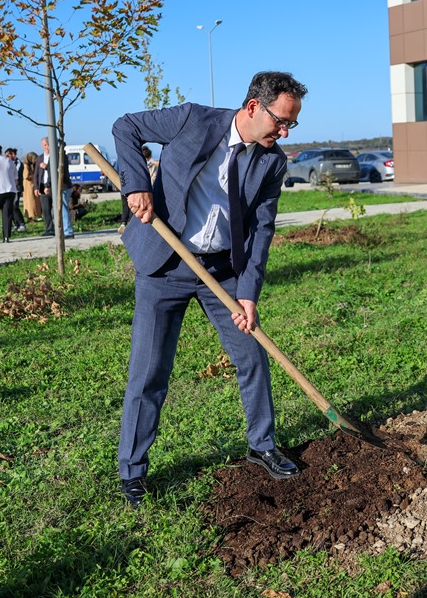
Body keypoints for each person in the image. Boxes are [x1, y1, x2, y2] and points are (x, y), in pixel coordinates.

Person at [114, 71, 308, 506]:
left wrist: (249, 292)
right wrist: (137, 185)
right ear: (254, 107)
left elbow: (262, 229)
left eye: (292, 124)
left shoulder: (272, 161)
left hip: (222, 272)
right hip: (164, 264)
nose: (284, 131)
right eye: (281, 120)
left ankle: (262, 446)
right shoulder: (192, 120)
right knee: (150, 371)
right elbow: (126, 126)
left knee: (251, 355)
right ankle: (132, 472)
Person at [119, 145, 158, 234]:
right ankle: (132, 227)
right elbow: (154, 178)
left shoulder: (131, 164)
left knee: (126, 206)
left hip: (126, 189)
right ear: (150, 156)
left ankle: (123, 223)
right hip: (145, 191)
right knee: (138, 211)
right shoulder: (152, 166)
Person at [34, 137, 54, 235]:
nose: (45, 147)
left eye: (46, 145)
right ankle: (49, 229)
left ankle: (58, 228)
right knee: (45, 210)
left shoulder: (55, 157)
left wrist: (46, 167)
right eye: (43, 145)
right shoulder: (39, 158)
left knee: (55, 209)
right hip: (42, 187)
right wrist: (36, 187)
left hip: (52, 186)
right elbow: (36, 174)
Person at [5, 148, 27, 232]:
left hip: (16, 188)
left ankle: (21, 223)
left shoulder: (18, 163)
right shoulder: (8, 163)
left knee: (14, 206)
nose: (6, 157)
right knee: (10, 207)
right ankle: (15, 223)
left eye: (8, 155)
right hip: (9, 187)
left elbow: (15, 173)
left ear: (13, 155)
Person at [22, 151, 43, 222]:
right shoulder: (26, 165)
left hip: (32, 185)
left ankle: (34, 215)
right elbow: (26, 176)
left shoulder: (32, 165)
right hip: (28, 186)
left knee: (34, 201)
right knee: (30, 202)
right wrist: (35, 176)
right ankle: (29, 217)